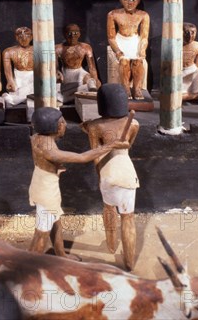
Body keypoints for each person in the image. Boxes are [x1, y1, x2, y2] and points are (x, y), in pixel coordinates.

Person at [29, 107, 127, 259]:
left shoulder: (37, 137)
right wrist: (111, 145)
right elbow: (82, 158)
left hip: (43, 182)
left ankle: (61, 255)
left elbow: (44, 159)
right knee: (42, 233)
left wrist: (53, 167)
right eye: (62, 122)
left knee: (55, 221)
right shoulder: (49, 149)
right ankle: (26, 270)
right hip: (45, 191)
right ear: (55, 126)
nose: (65, 124)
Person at [81, 84, 140, 271]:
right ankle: (129, 263)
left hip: (108, 172)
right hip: (128, 172)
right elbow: (128, 146)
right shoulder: (134, 124)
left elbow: (95, 154)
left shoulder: (95, 126)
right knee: (128, 218)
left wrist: (100, 175)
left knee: (108, 209)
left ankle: (112, 245)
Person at [107, 0, 150, 100]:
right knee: (124, 61)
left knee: (138, 61)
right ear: (120, 0)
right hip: (120, 40)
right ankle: (126, 88)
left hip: (135, 40)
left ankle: (137, 88)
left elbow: (144, 37)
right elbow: (111, 37)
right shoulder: (113, 14)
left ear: (139, 0)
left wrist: (142, 49)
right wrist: (117, 51)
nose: (130, 2)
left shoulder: (143, 15)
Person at [55, 23, 100, 103]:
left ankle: (88, 91)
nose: (72, 36)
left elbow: (92, 68)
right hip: (66, 73)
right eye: (69, 33)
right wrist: (57, 72)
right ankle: (65, 98)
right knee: (56, 82)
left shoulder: (85, 47)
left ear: (79, 34)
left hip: (79, 71)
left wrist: (95, 80)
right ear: (65, 35)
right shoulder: (58, 48)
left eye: (75, 33)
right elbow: (54, 67)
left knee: (90, 80)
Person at [2, 27, 34, 106]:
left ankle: (20, 98)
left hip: (34, 77)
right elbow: (7, 70)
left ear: (32, 37)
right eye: (20, 36)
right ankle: (23, 97)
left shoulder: (38, 49)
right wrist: (10, 81)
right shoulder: (8, 51)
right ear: (16, 37)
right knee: (14, 95)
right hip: (19, 77)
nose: (24, 38)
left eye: (27, 35)